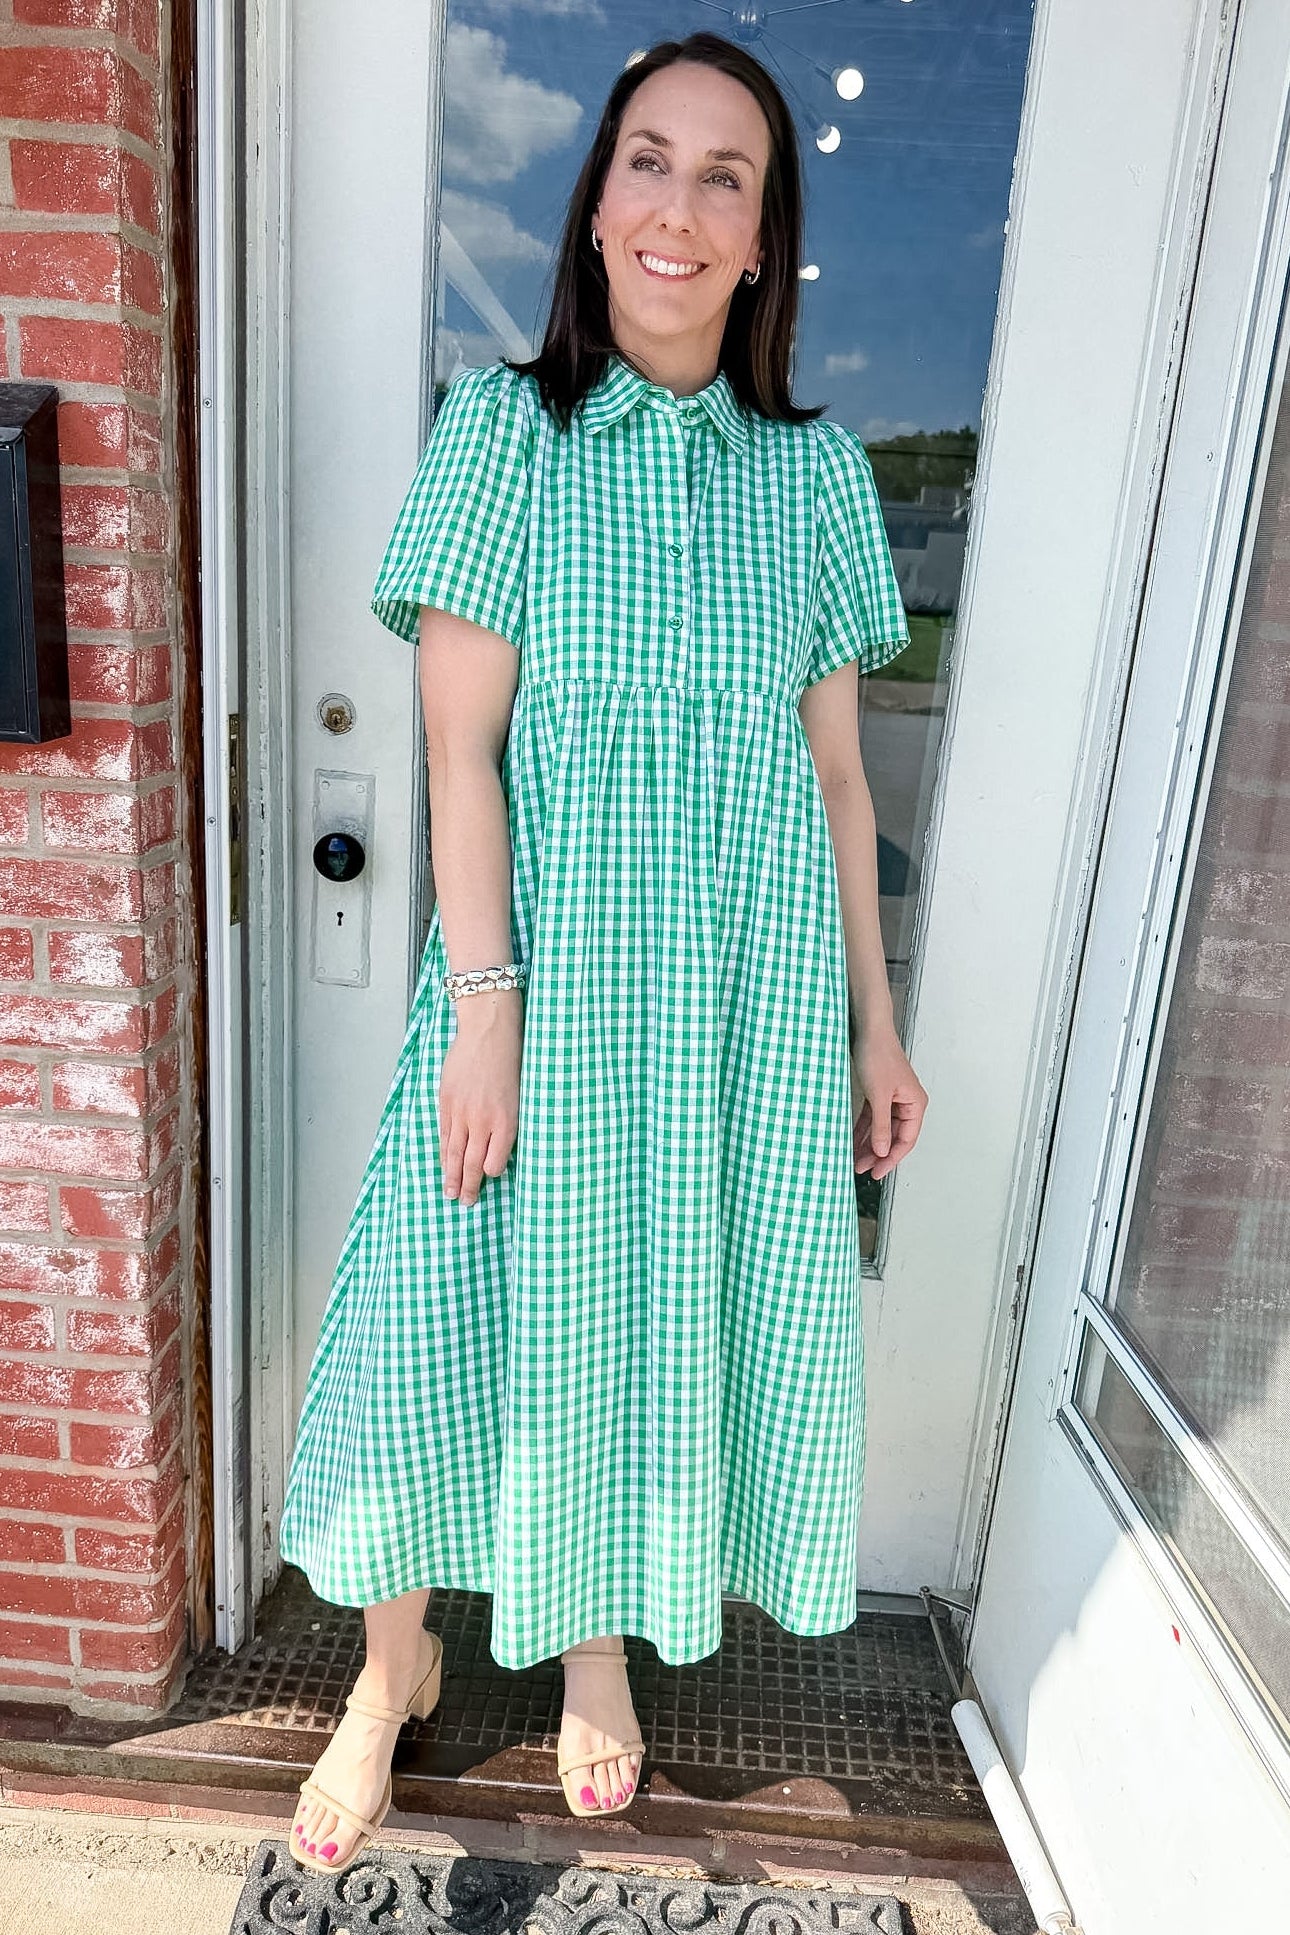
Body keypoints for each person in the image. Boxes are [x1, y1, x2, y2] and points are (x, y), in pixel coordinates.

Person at [280, 28, 929, 1875]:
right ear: (595, 208)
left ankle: (592, 1656)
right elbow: (454, 757)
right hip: (535, 992)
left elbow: (834, 785)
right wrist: (483, 1011)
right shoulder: (503, 435)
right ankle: (381, 1674)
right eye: (648, 161)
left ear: (761, 240)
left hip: (736, 1012)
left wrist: (875, 1030)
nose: (678, 204)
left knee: (645, 1320)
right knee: (440, 1314)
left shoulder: (813, 482)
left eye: (725, 177)